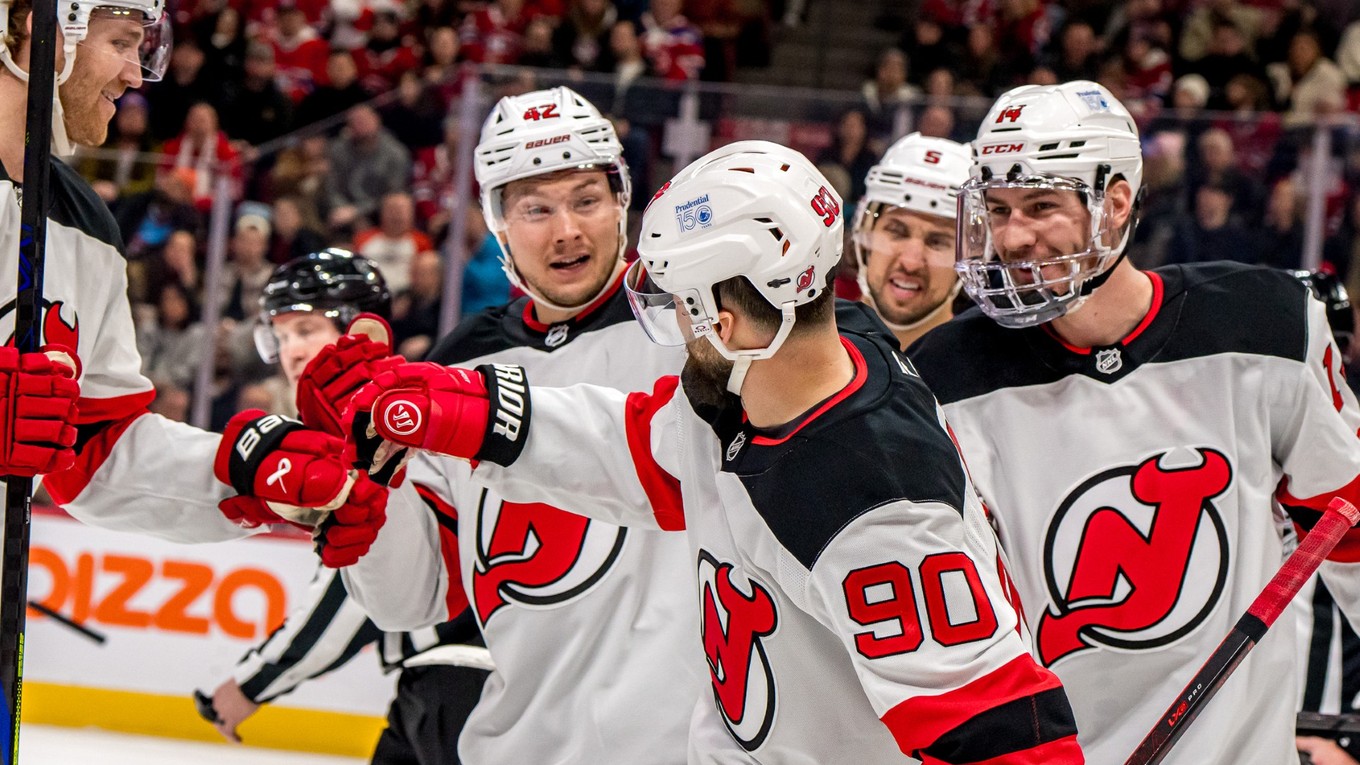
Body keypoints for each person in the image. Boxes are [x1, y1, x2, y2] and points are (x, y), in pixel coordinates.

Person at [342, 139, 1084, 763]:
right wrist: (444, 407)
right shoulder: (757, 393)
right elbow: (635, 448)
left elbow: (1001, 730)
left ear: (723, 320)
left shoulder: (876, 497)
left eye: (677, 302)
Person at [907, 80, 1360, 764]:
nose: (1012, 236)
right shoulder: (943, 376)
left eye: (1040, 206)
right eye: (997, 209)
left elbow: (1350, 532)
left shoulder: (1266, 325)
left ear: (1115, 203)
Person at [335, 85, 704, 764]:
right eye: (535, 207)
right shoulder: (460, 363)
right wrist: (365, 487)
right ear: (497, 222)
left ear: (623, 200)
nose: (566, 229)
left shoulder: (697, 332)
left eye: (586, 199)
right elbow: (411, 598)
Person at [0, 0, 391, 585]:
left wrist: (249, 473)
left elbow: (95, 452)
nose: (135, 75)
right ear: (44, 24)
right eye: (122, 42)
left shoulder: (89, 227)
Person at [198, 249, 490, 765]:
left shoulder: (409, 415)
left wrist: (249, 686)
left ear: (365, 330)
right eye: (281, 336)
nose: (291, 352)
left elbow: (349, 596)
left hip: (467, 684)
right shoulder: (392, 413)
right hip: (458, 681)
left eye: (307, 329)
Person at [851, 132, 971, 350]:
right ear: (865, 230)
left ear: (969, 257)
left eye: (937, 241)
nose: (911, 263)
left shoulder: (986, 377)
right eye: (897, 232)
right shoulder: (797, 354)